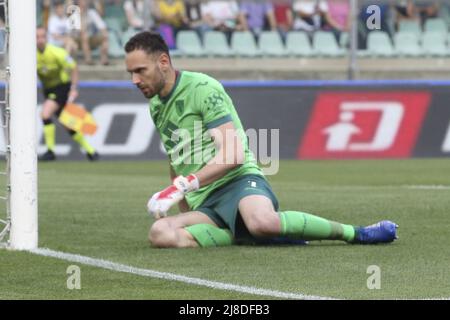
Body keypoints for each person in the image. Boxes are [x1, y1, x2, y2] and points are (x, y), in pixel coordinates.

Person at [124, 31, 398, 248]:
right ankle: (241, 236)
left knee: (261, 222)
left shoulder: (203, 88)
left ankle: (356, 233)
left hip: (238, 181)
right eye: (131, 73)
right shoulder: (156, 106)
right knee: (161, 233)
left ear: (163, 62)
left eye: (140, 70)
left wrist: (182, 186)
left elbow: (233, 155)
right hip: (204, 200)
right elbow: (177, 157)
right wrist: (180, 199)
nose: (135, 80)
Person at [37, 26, 99, 161]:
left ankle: (50, 151)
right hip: (48, 90)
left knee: (45, 114)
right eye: (37, 37)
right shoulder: (31, 56)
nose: (40, 40)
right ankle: (91, 152)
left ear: (47, 38)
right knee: (66, 123)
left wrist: (74, 88)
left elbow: (74, 67)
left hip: (61, 87)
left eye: (42, 36)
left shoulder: (57, 52)